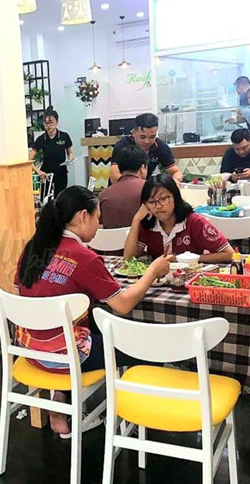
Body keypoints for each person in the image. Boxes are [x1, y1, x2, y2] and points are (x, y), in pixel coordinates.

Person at [14, 186, 172, 436]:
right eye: (98, 218)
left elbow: (19, 291)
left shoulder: (33, 247)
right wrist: (153, 271)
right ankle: (135, 417)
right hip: (68, 355)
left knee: (94, 325)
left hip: (31, 348)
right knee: (148, 346)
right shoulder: (84, 257)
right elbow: (123, 304)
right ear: (82, 216)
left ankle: (59, 403)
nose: (99, 225)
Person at [124, 174, 234, 264]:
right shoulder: (148, 223)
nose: (158, 206)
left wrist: (188, 259)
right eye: (152, 202)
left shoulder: (194, 222)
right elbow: (128, 259)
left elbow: (230, 254)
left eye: (164, 199)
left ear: (175, 197)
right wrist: (136, 220)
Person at [112, 113, 182, 184]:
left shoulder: (160, 146)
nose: (147, 141)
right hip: (121, 185)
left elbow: (176, 172)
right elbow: (115, 177)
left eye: (152, 137)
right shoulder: (122, 146)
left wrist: (176, 180)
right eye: (142, 137)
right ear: (134, 133)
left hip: (144, 186)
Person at [98, 144, 148, 229]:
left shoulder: (103, 195)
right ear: (142, 168)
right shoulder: (151, 189)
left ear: (119, 168)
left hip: (111, 237)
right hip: (142, 237)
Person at [29, 109, 74, 198]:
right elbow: (29, 160)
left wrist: (70, 159)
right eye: (46, 123)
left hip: (61, 172)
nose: (48, 126)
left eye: (51, 122)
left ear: (57, 121)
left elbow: (70, 152)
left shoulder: (64, 136)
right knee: (44, 197)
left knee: (60, 198)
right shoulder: (41, 139)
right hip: (46, 173)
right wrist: (38, 171)